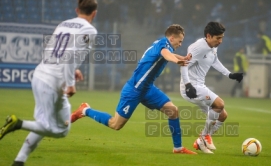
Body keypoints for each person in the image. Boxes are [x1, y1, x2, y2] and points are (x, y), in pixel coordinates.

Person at [0, 0, 98, 166]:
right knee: (61, 130)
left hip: (40, 74)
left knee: (43, 124)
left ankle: (18, 163)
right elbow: (70, 56)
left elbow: (57, 52)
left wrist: (71, 71)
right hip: (54, 83)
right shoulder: (89, 30)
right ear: (94, 13)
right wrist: (70, 83)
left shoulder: (64, 24)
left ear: (77, 10)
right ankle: (18, 124)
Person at [71, 24, 196, 154]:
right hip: (134, 89)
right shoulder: (163, 47)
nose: (181, 44)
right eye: (180, 41)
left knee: (173, 110)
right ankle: (85, 110)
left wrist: (183, 58)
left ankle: (178, 148)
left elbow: (169, 54)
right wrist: (177, 62)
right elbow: (166, 55)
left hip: (148, 89)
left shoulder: (164, 44)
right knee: (115, 124)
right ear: (172, 38)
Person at [180, 21, 243, 154]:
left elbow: (214, 60)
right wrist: (188, 85)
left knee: (222, 115)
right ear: (208, 36)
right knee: (220, 104)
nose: (220, 41)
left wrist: (229, 74)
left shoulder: (213, 46)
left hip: (199, 85)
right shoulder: (197, 47)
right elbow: (184, 65)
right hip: (191, 86)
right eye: (218, 38)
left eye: (222, 38)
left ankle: (200, 141)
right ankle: (204, 137)